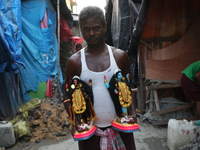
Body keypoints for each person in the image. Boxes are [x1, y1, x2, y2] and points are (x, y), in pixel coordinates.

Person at [63, 6, 137, 150]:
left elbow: (130, 87)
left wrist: (132, 113)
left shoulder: (120, 57)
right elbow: (67, 95)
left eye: (96, 28)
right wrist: (75, 122)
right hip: (89, 134)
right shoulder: (75, 62)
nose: (91, 33)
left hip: (121, 129)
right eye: (86, 29)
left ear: (104, 27)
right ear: (82, 30)